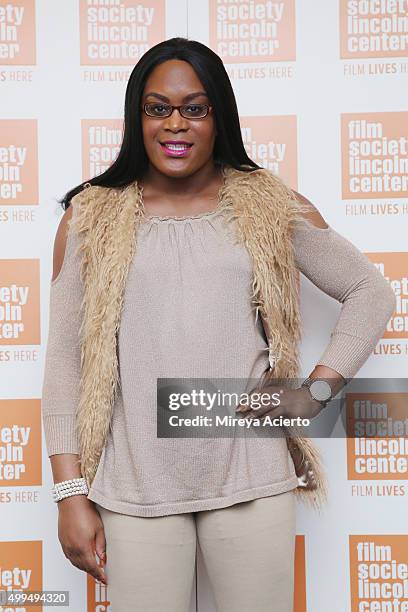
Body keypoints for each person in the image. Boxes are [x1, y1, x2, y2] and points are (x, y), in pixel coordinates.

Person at [41, 38, 396, 612]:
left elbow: (369, 292)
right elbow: (64, 361)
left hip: (251, 476)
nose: (175, 124)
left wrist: (315, 392)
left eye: (194, 108)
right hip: (135, 486)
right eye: (158, 108)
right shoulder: (90, 217)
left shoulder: (269, 205)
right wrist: (69, 494)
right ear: (138, 118)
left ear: (218, 117)